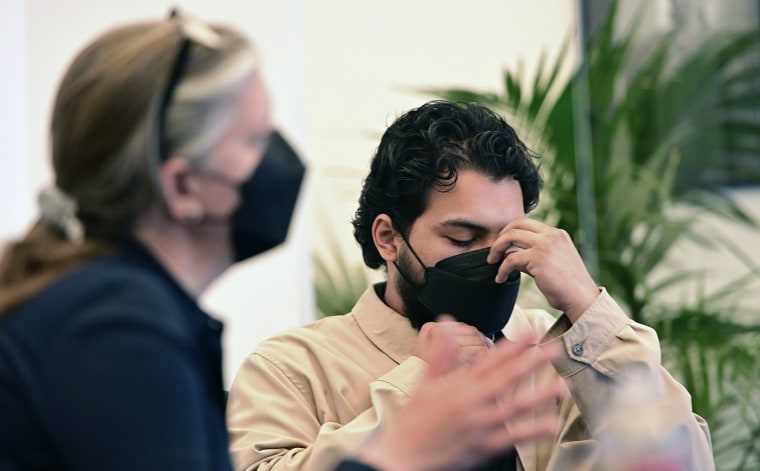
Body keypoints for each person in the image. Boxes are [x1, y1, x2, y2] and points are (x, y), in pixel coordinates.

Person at [0, 11, 566, 471]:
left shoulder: (120, 310)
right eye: (253, 138)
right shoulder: (113, 329)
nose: (280, 159)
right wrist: (397, 444)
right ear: (181, 185)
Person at [226, 100, 716, 470]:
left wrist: (591, 311)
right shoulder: (293, 368)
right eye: (463, 237)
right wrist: (418, 385)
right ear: (389, 237)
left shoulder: (558, 354)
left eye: (509, 237)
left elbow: (682, 460)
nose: (491, 258)